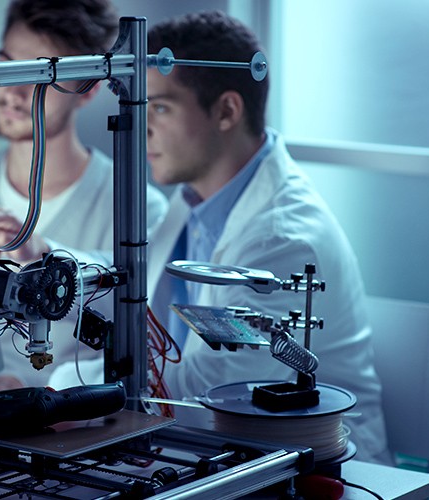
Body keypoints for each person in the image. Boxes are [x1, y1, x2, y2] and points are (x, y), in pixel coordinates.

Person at [140, 10, 392, 465]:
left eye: (160, 107)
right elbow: (145, 293)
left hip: (324, 474)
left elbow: (209, 388)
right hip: (230, 455)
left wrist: (62, 392)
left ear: (226, 111)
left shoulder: (282, 240)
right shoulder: (198, 199)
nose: (144, 127)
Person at [0, 0, 168, 397]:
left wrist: (24, 386)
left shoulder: (136, 211)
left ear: (88, 89)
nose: (13, 92)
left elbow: (140, 355)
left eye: (36, 75)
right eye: (6, 66)